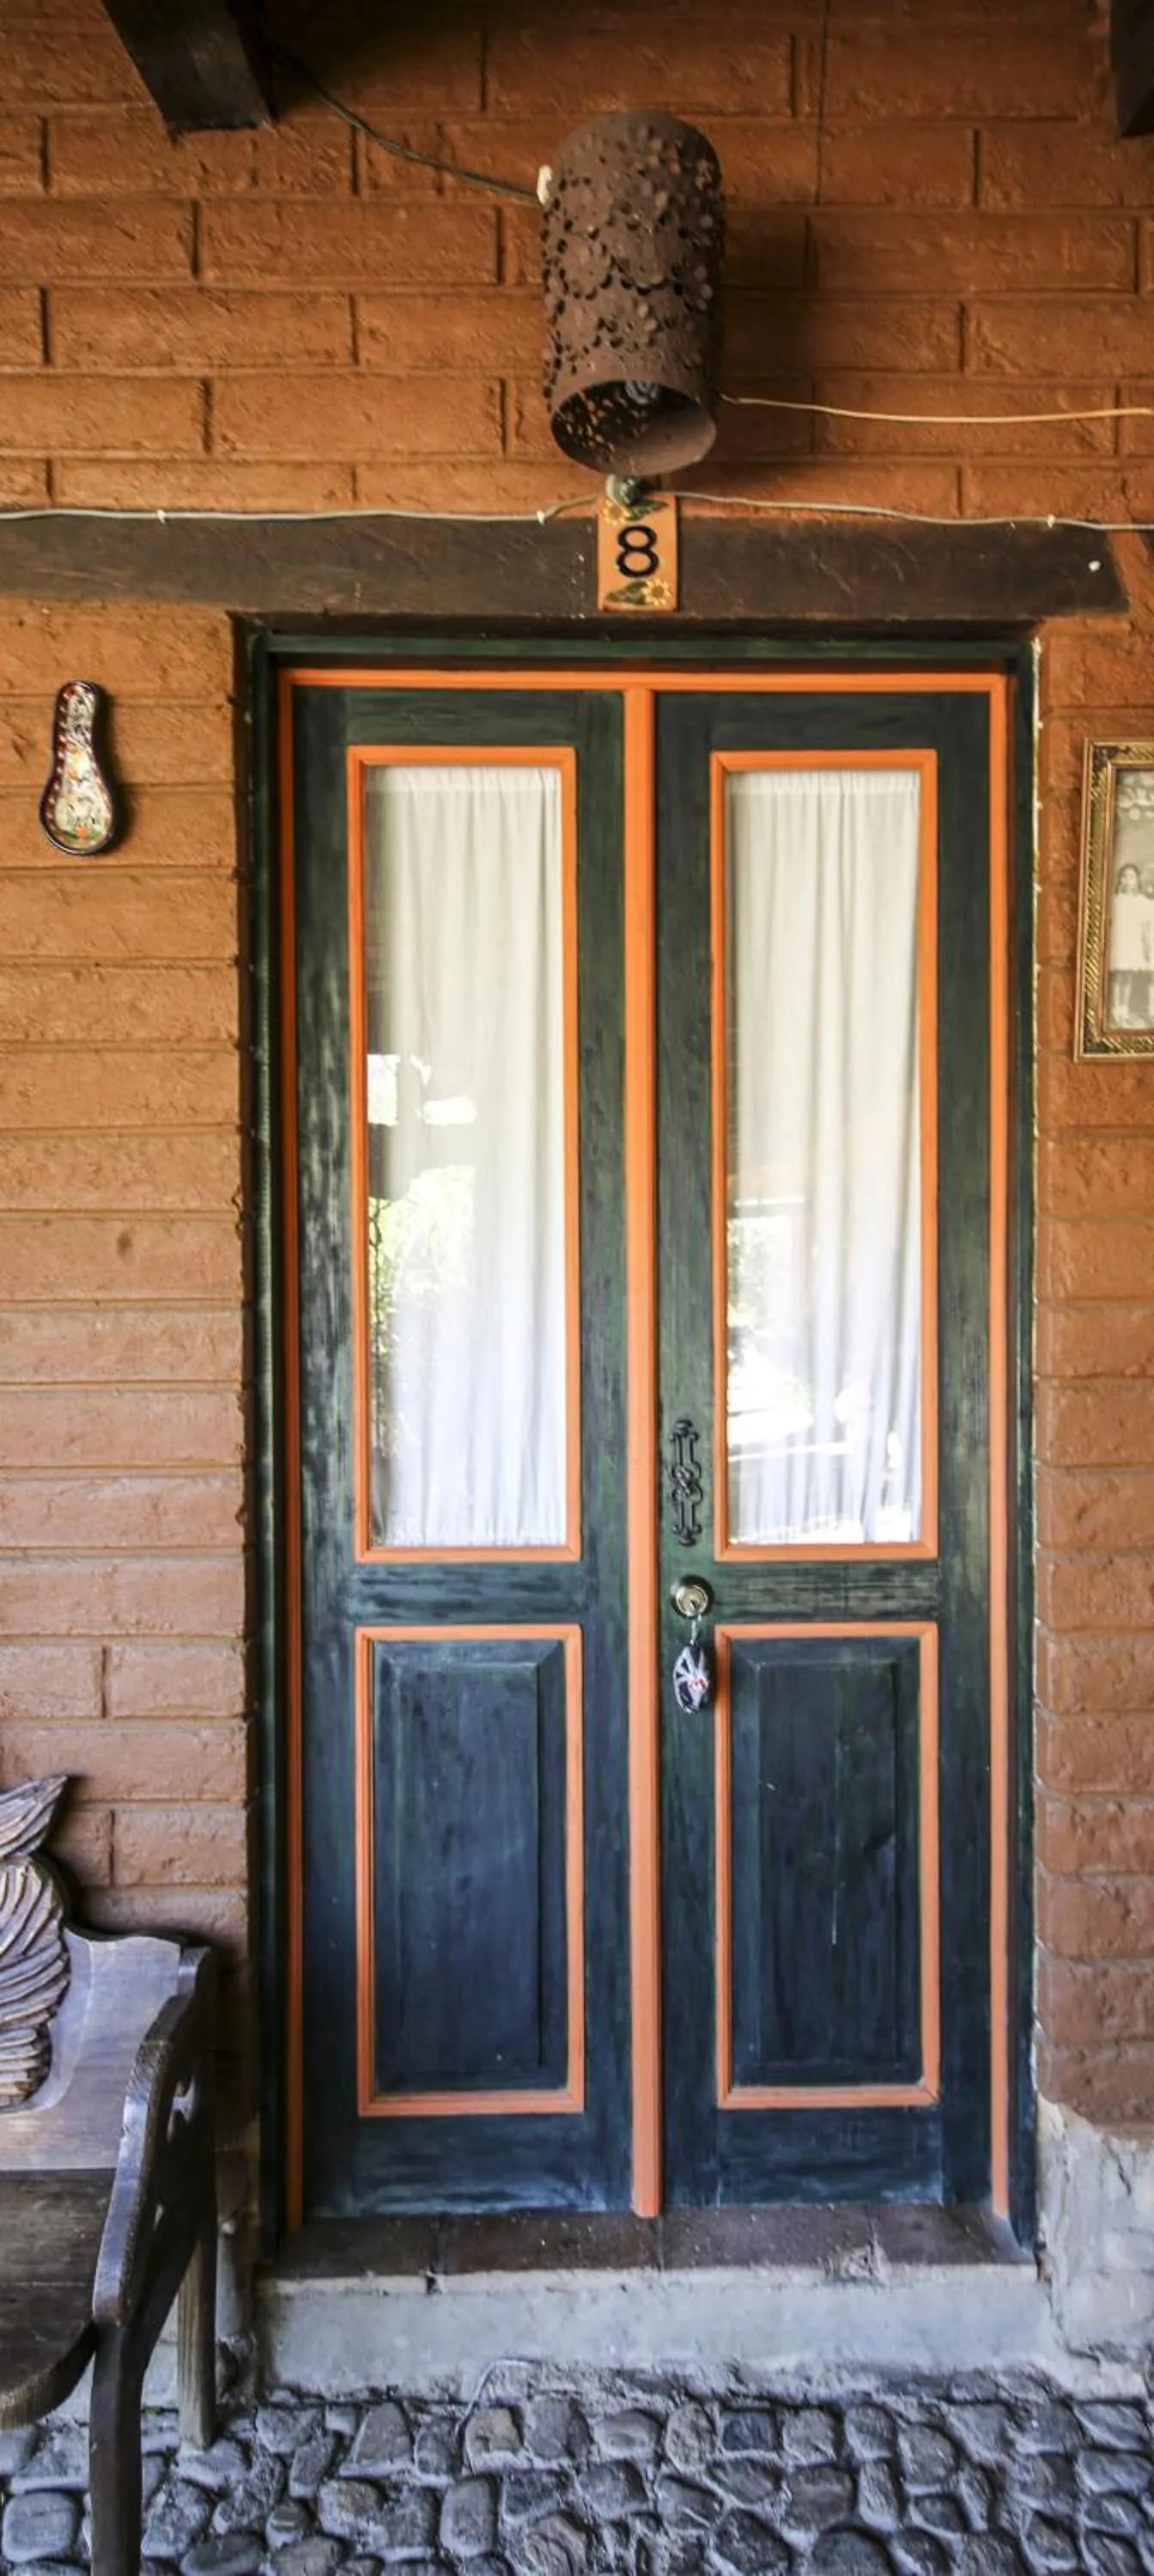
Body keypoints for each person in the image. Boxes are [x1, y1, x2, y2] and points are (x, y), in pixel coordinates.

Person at [1107, 860, 1148, 1027]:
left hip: (1133, 943)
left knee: (1128, 977)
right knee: (1118, 976)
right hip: (1119, 942)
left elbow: (1145, 928)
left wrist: (1146, 949)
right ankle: (1115, 1010)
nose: (1128, 880)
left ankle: (1124, 1009)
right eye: (1124, 876)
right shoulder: (1115, 900)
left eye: (1131, 877)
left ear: (1137, 880)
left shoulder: (1141, 902)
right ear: (1119, 880)